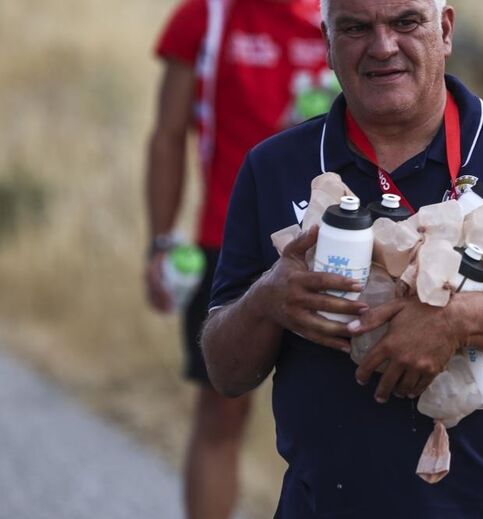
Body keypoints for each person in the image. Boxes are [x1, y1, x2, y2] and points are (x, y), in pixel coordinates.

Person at [202, 0, 483, 516]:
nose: (383, 47)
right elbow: (225, 372)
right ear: (327, 43)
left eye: (405, 22)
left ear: (445, 29)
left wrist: (458, 320)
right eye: (356, 27)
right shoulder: (276, 165)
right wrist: (265, 301)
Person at [144, 1, 331, 517]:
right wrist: (161, 241)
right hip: (228, 243)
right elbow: (167, 134)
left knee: (340, 419)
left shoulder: (349, 14)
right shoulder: (206, 16)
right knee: (221, 414)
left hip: (331, 247)